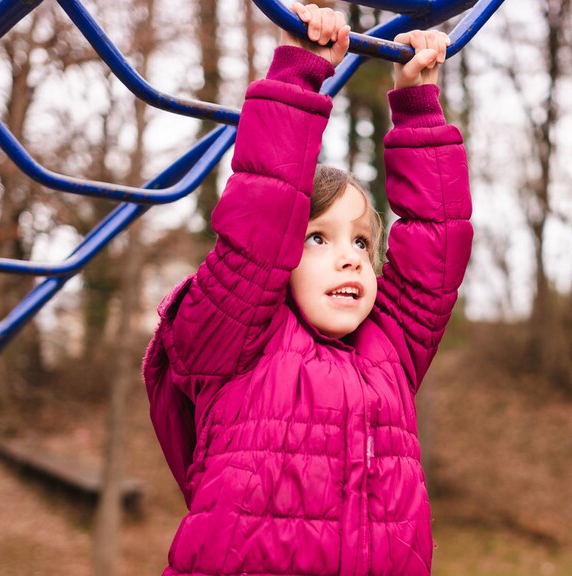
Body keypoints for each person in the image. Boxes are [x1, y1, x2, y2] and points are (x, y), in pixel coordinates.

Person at [141, 4, 471, 574]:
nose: (349, 257)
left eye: (363, 244)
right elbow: (262, 217)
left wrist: (418, 108)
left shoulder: (387, 351)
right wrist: (301, 71)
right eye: (318, 239)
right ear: (281, 259)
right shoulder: (236, 342)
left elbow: (436, 247)